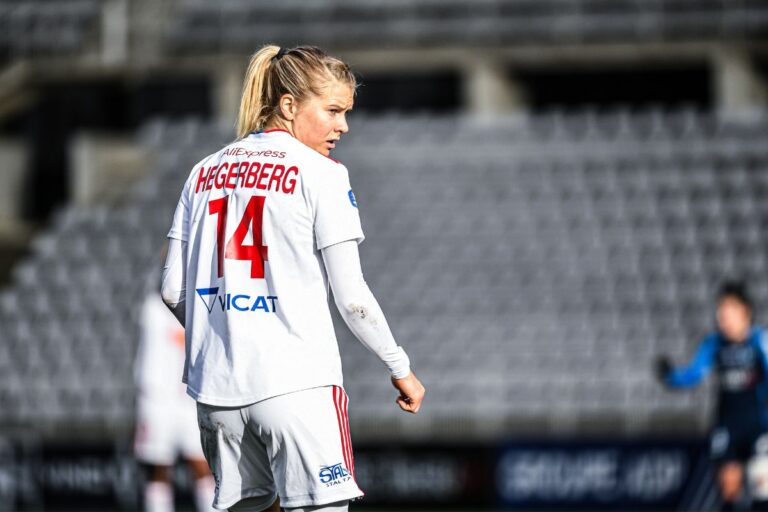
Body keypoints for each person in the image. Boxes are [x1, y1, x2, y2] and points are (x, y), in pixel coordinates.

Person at [160, 45, 425, 512]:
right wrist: (399, 367)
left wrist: (228, 331)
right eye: (333, 111)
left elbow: (172, 290)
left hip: (218, 393)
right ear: (288, 105)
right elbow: (352, 299)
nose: (343, 125)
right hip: (297, 387)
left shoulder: (202, 172)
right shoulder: (322, 173)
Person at [656, 281, 768, 511]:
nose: (723, 318)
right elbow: (695, 373)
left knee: (762, 486)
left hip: (760, 425)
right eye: (721, 312)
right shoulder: (713, 344)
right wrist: (670, 376)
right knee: (729, 488)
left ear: (744, 311)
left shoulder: (759, 340)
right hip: (727, 424)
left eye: (728, 311)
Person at [134, 292, 215, 512]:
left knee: (202, 467)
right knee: (158, 469)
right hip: (156, 399)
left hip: (189, 398)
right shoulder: (153, 307)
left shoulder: (199, 306)